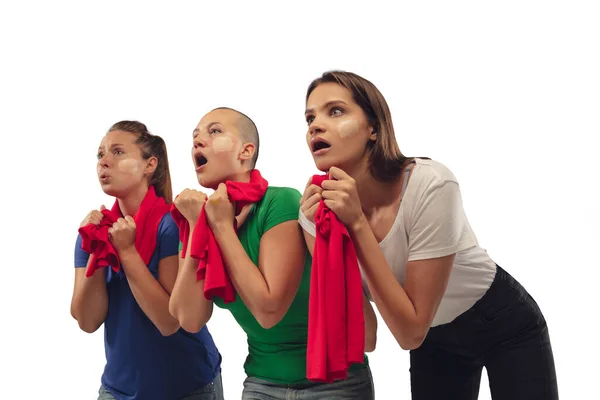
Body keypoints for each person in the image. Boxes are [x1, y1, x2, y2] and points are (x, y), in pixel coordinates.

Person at [298, 71, 559, 400]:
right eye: (309, 117)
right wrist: (327, 239)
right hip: (435, 340)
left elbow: (409, 333)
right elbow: (367, 335)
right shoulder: (315, 215)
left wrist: (358, 226)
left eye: (335, 111)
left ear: (374, 129)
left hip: (502, 322)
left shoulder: (430, 184)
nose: (314, 126)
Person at [168, 107, 377, 399]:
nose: (198, 141)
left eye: (214, 131)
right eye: (195, 137)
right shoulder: (197, 221)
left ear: (245, 151)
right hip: (262, 382)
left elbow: (270, 310)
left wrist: (223, 230)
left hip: (334, 381)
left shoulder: (280, 203)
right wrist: (195, 228)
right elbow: (189, 319)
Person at [71, 121, 223, 400]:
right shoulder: (91, 233)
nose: (104, 161)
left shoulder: (171, 225)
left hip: (187, 387)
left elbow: (169, 321)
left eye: (117, 152)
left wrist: (127, 252)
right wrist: (96, 246)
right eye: (100, 154)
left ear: (149, 164)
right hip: (118, 389)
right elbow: (87, 320)